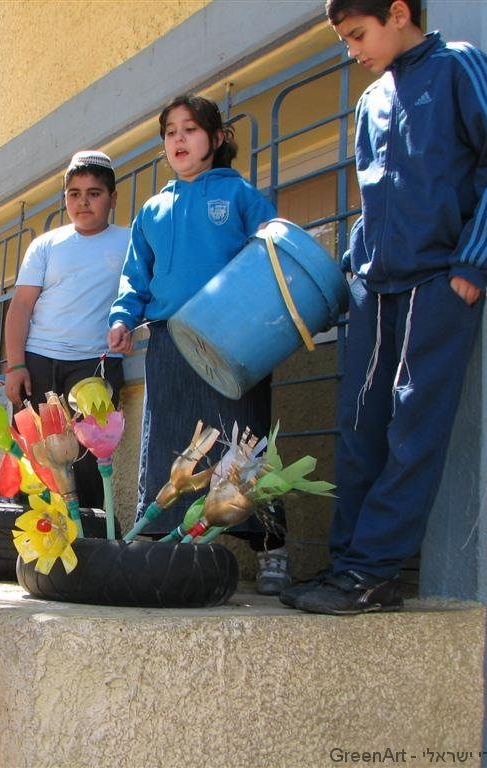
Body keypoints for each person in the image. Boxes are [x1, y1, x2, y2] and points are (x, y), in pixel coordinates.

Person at [285, 0, 487, 615]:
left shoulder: (461, 66)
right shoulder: (371, 99)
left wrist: (472, 266)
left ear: (399, 13)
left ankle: (374, 572)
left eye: (358, 34)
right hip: (374, 290)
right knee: (358, 429)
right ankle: (346, 565)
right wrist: (354, 270)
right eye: (345, 39)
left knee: (413, 429)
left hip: (438, 282)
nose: (352, 51)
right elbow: (373, 196)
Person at [107, 93, 290, 595]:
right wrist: (123, 318)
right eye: (170, 132)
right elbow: (134, 277)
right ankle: (160, 549)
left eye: (190, 129)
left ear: (217, 138)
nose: (179, 139)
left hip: (235, 337)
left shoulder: (240, 195)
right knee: (169, 441)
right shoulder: (152, 210)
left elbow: (270, 256)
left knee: (245, 439)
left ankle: (270, 546)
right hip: (169, 341)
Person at [3, 150, 130, 509]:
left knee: (89, 459)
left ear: (112, 198)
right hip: (38, 362)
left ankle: (89, 532)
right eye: (74, 194)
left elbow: (140, 295)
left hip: (96, 365)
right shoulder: (45, 245)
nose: (83, 202)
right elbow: (21, 306)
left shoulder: (130, 242)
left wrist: (130, 327)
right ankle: (30, 532)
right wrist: (16, 365)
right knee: (35, 457)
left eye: (94, 193)